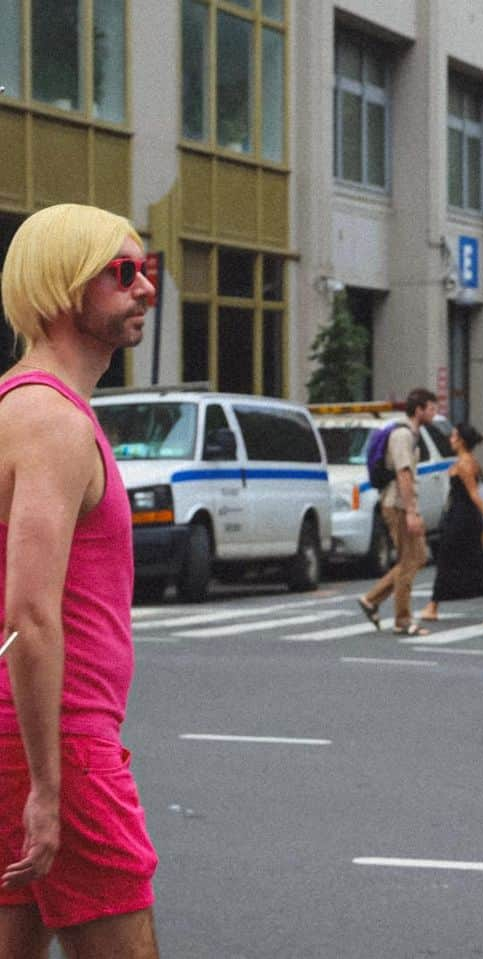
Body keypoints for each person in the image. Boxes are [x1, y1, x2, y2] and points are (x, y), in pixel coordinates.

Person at [0, 204, 160, 955]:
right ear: (65, 287)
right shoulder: (50, 419)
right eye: (123, 273)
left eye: (145, 269)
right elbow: (28, 613)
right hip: (58, 736)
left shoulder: (27, 405)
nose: (146, 289)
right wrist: (49, 783)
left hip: (36, 736)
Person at [357, 388, 438, 637]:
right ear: (419, 410)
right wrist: (411, 512)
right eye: (431, 409)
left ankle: (371, 600)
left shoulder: (412, 434)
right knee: (408, 560)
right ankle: (402, 620)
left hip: (404, 503)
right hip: (397, 504)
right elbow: (404, 474)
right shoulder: (402, 435)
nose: (434, 414)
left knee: (419, 556)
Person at [418, 424, 483, 622]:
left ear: (462, 441)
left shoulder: (465, 463)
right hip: (459, 516)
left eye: (455, 436)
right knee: (460, 558)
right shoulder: (465, 461)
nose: (451, 438)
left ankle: (433, 605)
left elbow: (475, 494)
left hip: (463, 518)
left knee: (453, 557)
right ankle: (433, 605)